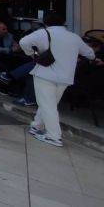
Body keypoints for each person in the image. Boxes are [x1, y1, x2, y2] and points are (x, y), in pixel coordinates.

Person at [19, 12, 96, 147]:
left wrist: (32, 54)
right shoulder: (74, 37)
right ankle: (37, 125)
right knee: (50, 103)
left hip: (45, 73)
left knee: (48, 105)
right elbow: (90, 54)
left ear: (46, 22)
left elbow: (23, 42)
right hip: (65, 76)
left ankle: (54, 136)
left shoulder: (43, 33)